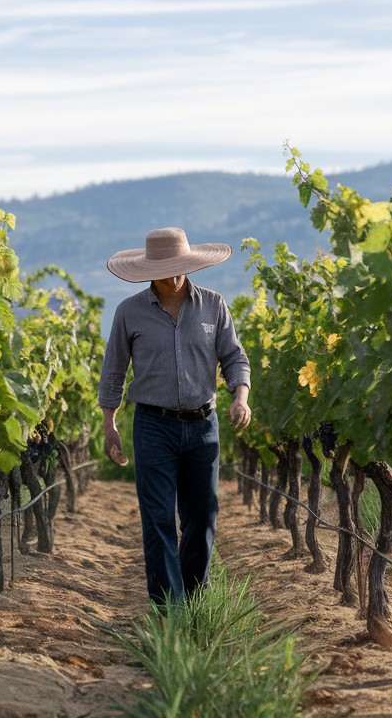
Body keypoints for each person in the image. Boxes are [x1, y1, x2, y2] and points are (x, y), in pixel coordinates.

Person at [99, 227, 252, 606]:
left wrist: (241, 396)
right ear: (149, 270)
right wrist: (109, 424)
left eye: (179, 267)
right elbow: (114, 371)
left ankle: (194, 597)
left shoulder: (213, 305)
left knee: (202, 518)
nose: (173, 275)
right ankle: (169, 609)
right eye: (165, 269)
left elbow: (234, 357)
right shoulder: (128, 312)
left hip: (204, 427)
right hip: (153, 426)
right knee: (158, 520)